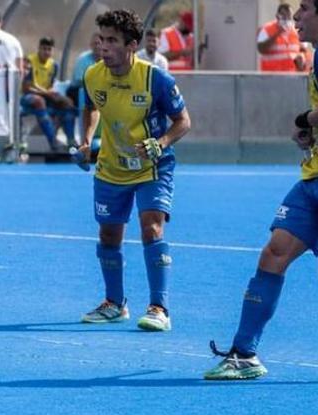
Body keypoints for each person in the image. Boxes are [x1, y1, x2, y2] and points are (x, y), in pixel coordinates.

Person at [205, 0, 318, 380]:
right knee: (274, 253)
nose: (296, 16)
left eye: (304, 9)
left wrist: (305, 119)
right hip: (317, 177)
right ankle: (244, 354)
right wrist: (311, 130)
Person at [77, 9, 191, 332]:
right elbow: (90, 108)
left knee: (151, 228)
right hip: (111, 167)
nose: (104, 47)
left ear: (132, 45)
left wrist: (162, 142)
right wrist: (86, 141)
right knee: (109, 235)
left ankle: (159, 307)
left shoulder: (156, 79)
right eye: (102, 39)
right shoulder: (92, 75)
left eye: (112, 41)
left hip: (152, 166)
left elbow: (184, 121)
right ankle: (114, 304)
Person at [21, 36, 76, 151]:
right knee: (38, 101)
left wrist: (53, 95)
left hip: (45, 96)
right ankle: (53, 142)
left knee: (68, 104)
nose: (46, 52)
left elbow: (49, 86)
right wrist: (47, 93)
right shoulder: (29, 61)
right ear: (39, 49)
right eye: (44, 49)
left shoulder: (53, 65)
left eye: (49, 49)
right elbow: (26, 88)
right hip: (28, 97)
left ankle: (71, 141)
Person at [257, 3, 306, 72]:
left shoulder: (295, 31)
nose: (286, 19)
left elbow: (303, 51)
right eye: (284, 16)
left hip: (291, 76)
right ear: (278, 16)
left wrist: (301, 59)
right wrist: (277, 33)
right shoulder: (267, 29)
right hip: (270, 76)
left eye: (289, 16)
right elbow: (261, 49)